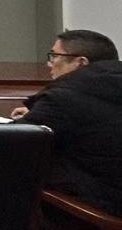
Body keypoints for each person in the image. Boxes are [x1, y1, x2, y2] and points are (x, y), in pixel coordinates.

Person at [11, 29, 122, 217]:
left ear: (81, 63)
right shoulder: (103, 88)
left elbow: (10, 142)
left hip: (95, 212)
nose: (49, 63)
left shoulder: (64, 98)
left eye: (54, 56)